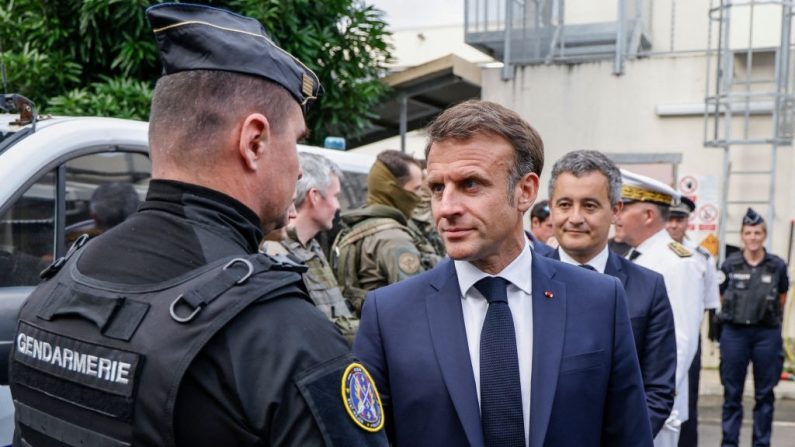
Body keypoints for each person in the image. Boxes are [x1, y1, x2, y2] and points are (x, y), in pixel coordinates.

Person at [8, 4, 387, 447]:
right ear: (255, 141)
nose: (300, 171)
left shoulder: (54, 292)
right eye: (297, 143)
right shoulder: (278, 335)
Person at [354, 100, 653, 447]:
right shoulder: (389, 314)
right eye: (437, 188)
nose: (447, 208)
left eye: (470, 184)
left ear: (524, 191)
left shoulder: (600, 300)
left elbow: (628, 435)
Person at [545, 150, 676, 436]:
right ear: (551, 208)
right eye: (565, 204)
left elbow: (657, 390)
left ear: (615, 211)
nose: (575, 218)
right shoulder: (524, 281)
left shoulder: (648, 287)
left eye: (590, 206)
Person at [614, 169, 705, 447]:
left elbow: (679, 344)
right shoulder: (635, 256)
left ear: (649, 216)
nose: (615, 216)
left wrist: (654, 408)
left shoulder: (677, 263)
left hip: (656, 411)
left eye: (623, 207)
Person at [263, 153, 359, 343]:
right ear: (314, 196)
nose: (338, 206)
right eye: (336, 196)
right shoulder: (274, 251)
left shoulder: (312, 247)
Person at [333, 149, 440, 314]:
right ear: (393, 190)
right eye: (417, 188)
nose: (420, 196)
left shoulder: (358, 226)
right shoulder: (393, 238)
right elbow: (415, 303)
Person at [718, 208, 789, 447]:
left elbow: (782, 296)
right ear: (742, 236)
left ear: (764, 235)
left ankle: (761, 443)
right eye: (748, 233)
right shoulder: (730, 264)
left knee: (764, 396)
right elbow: (720, 297)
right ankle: (729, 443)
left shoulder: (777, 265)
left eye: (757, 232)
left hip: (766, 335)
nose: (753, 237)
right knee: (732, 395)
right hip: (735, 334)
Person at [666, 196, 721, 447]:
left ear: (688, 221)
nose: (673, 226)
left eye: (679, 219)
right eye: (669, 219)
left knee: (687, 402)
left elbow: (709, 303)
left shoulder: (702, 258)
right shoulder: (648, 253)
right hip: (657, 334)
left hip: (688, 338)